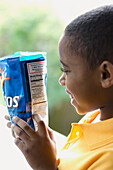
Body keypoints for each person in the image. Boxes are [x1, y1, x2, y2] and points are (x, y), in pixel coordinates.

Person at [5, 5, 113, 170]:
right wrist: (48, 148)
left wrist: (44, 166)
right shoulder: (94, 117)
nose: (62, 80)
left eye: (66, 70)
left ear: (105, 75)